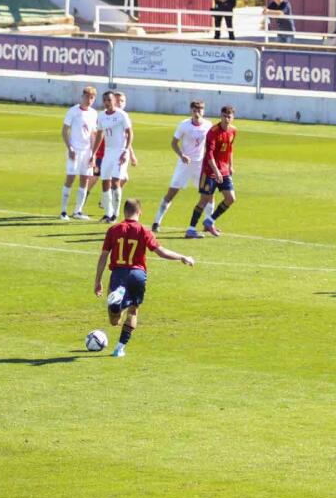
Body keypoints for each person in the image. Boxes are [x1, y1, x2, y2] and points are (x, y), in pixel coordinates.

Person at [93, 198, 195, 358]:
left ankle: (116, 305)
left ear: (124, 212)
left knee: (114, 320)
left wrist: (97, 280)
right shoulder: (144, 231)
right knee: (133, 312)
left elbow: (103, 257)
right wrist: (182, 257)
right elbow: (162, 252)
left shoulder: (113, 230)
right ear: (140, 212)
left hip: (118, 274)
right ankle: (119, 349)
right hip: (137, 275)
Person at [153, 100, 213, 232]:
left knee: (209, 193)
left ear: (204, 110)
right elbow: (174, 143)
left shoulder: (208, 125)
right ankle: (156, 222)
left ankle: (208, 223)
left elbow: (211, 144)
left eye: (200, 110)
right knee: (172, 192)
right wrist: (182, 155)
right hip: (184, 164)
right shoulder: (184, 125)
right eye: (195, 110)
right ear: (191, 111)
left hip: (201, 165)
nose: (197, 113)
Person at [187, 105, 237, 239]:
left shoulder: (233, 131)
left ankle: (209, 221)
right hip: (209, 171)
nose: (226, 119)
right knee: (204, 200)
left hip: (224, 170)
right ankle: (191, 229)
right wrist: (216, 171)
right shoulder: (213, 132)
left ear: (233, 118)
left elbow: (230, 149)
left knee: (231, 198)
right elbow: (209, 154)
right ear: (220, 116)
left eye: (229, 117)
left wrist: (231, 166)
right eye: (224, 116)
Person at [61, 86, 99, 220]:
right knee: (70, 179)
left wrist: (93, 154)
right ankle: (63, 211)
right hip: (75, 150)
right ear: (82, 96)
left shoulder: (94, 113)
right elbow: (64, 131)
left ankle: (78, 211)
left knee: (85, 180)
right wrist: (70, 148)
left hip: (87, 151)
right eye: (88, 97)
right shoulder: (73, 111)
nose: (89, 100)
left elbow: (94, 134)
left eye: (92, 98)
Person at [96, 90, 133, 223]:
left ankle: (116, 214)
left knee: (116, 181)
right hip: (108, 152)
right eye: (104, 100)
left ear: (114, 101)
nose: (107, 103)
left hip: (120, 152)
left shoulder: (122, 115)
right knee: (105, 181)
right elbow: (100, 134)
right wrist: (93, 154)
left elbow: (130, 133)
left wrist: (125, 150)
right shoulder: (101, 116)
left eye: (109, 100)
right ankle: (108, 213)